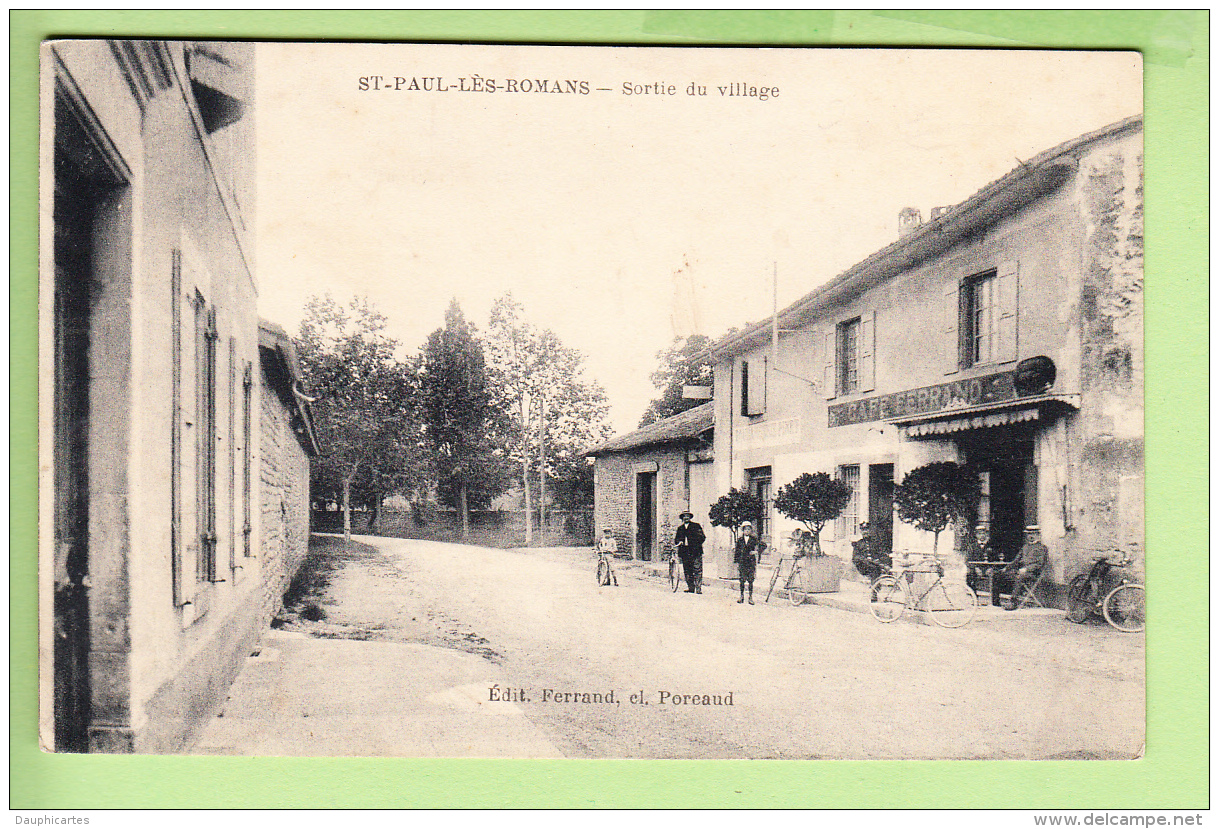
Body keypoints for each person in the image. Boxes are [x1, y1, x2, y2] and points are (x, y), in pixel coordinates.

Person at [998, 525, 1047, 610]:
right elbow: (1016, 560)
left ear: (1038, 535)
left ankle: (1013, 602)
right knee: (998, 574)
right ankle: (996, 601)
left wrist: (1027, 569)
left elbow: (1039, 564)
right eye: (1029, 534)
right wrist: (1006, 568)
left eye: (1033, 534)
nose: (1031, 536)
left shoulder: (1041, 548)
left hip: (1033, 573)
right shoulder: (1025, 547)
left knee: (1019, 577)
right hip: (1021, 571)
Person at [964, 525, 1003, 606]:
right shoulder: (972, 546)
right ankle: (974, 599)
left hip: (989, 569)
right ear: (976, 535)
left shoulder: (992, 546)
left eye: (983, 533)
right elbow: (967, 560)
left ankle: (995, 601)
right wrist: (975, 568)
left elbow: (997, 559)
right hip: (976, 569)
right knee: (969, 576)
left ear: (986, 534)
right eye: (979, 533)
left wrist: (992, 568)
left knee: (997, 575)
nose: (981, 535)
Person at [674, 511, 706, 594]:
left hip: (696, 551)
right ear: (682, 518)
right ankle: (691, 588)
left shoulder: (696, 526)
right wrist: (680, 542)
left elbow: (702, 537)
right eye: (684, 516)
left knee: (697, 569)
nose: (686, 518)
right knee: (687, 570)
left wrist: (695, 544)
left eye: (687, 516)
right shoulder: (680, 528)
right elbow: (676, 540)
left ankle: (698, 588)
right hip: (685, 552)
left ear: (690, 517)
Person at [734, 521, 761, 605]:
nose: (747, 531)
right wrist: (736, 562)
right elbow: (737, 551)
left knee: (750, 580)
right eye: (745, 529)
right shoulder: (740, 540)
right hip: (742, 562)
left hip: (751, 562)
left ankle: (750, 597)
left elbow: (762, 545)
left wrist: (756, 551)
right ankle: (741, 596)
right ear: (743, 530)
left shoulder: (754, 539)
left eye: (749, 529)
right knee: (742, 580)